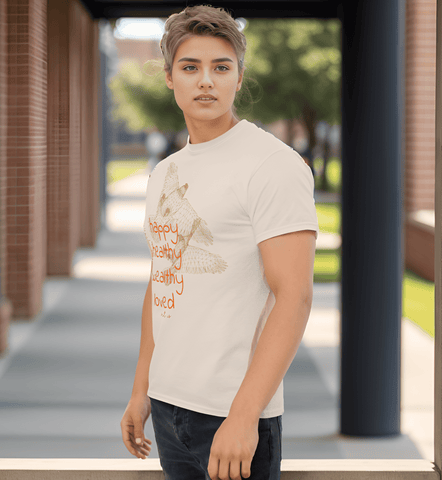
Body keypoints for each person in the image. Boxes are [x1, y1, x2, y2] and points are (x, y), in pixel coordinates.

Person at [120, 5, 319, 480]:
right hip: (169, 410)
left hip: (232, 415)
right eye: (191, 67)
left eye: (220, 67)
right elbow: (162, 279)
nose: (205, 81)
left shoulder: (272, 165)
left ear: (238, 76)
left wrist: (245, 416)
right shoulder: (165, 172)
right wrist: (141, 389)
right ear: (170, 78)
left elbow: (294, 296)